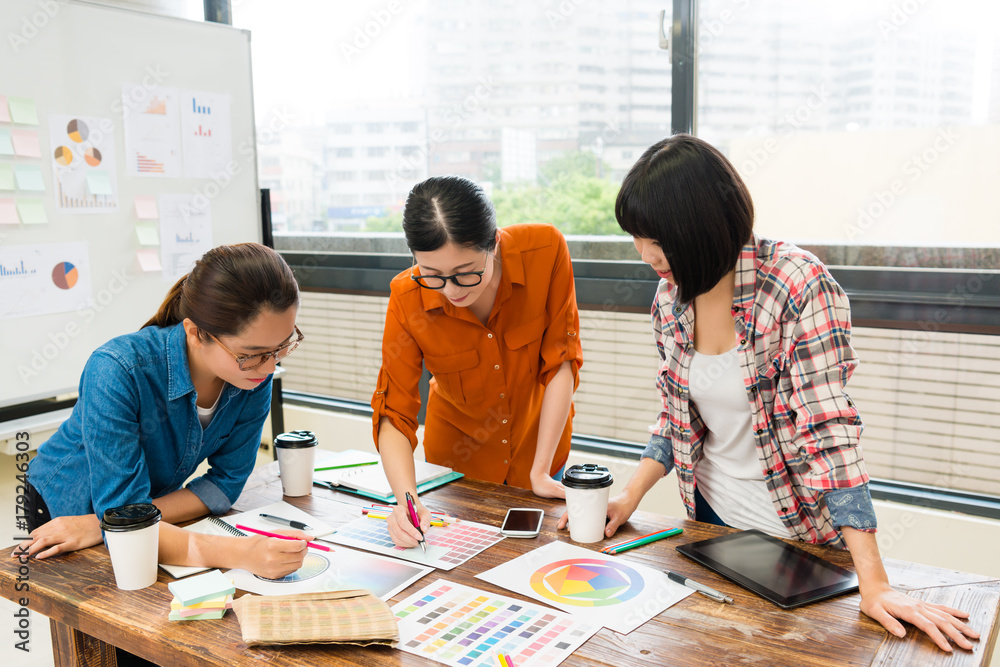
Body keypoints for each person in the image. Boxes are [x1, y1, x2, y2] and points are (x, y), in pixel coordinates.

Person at [558, 134, 979, 653]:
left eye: (657, 239)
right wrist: (627, 496)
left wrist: (875, 584)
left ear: (702, 227)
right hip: (708, 522)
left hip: (796, 532)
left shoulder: (797, 285)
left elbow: (830, 436)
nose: (646, 256)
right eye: (636, 238)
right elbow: (676, 419)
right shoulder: (670, 297)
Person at [21, 243, 310, 580]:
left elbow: (225, 484)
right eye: (253, 352)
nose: (271, 364)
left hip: (126, 516)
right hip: (64, 511)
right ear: (195, 332)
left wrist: (103, 523)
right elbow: (127, 521)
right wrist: (241, 552)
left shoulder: (254, 375)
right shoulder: (117, 370)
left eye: (282, 346)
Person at [373, 175, 582, 548]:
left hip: (541, 457)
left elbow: (561, 363)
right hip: (456, 473)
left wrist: (539, 469)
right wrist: (406, 500)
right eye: (433, 275)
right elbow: (394, 413)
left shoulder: (545, 251)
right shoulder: (406, 298)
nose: (452, 290)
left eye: (466, 273)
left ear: (494, 242)